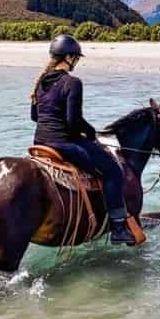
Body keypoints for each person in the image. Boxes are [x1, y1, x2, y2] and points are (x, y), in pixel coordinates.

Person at [30, 34, 135, 245]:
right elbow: (73, 122)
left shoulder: (41, 81)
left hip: (40, 143)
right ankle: (118, 228)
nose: (76, 62)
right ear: (69, 57)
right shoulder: (72, 82)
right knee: (113, 170)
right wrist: (91, 132)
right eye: (76, 58)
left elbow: (35, 117)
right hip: (64, 144)